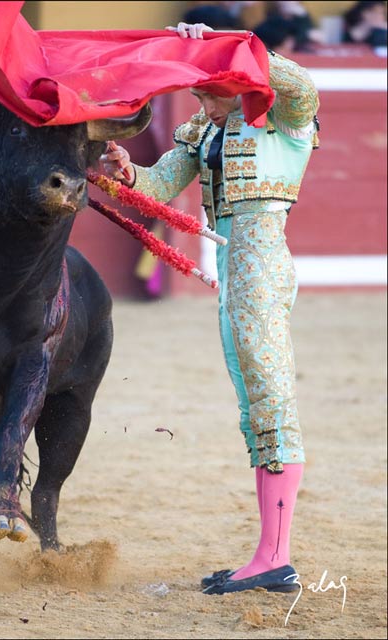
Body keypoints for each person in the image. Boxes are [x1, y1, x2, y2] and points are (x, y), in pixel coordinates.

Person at [100, 21, 319, 595]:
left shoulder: (287, 116)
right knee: (254, 405)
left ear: (240, 80)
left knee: (270, 400)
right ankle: (271, 553)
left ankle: (275, 556)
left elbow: (294, 82)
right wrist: (127, 173)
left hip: (262, 266)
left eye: (207, 90)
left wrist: (224, 41)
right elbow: (157, 186)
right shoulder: (205, 128)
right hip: (235, 273)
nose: (199, 101)